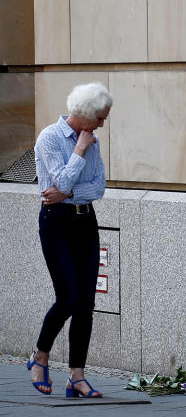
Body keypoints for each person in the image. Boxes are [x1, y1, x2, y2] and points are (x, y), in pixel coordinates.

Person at [27, 82, 112, 398]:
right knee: (68, 297)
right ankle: (39, 356)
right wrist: (78, 151)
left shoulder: (95, 141)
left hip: (84, 221)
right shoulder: (50, 138)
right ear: (86, 114)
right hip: (56, 224)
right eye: (100, 118)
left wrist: (69, 192)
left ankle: (77, 375)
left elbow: (99, 187)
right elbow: (58, 180)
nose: (101, 125)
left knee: (86, 303)